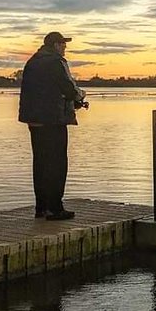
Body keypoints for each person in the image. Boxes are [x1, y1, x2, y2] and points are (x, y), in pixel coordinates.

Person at [18, 31, 89, 220]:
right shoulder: (56, 62)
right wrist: (80, 96)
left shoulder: (32, 61)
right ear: (56, 45)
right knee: (57, 163)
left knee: (40, 162)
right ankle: (55, 208)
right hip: (53, 120)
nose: (65, 47)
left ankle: (41, 208)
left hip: (34, 120)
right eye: (63, 44)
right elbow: (67, 87)